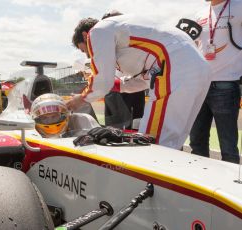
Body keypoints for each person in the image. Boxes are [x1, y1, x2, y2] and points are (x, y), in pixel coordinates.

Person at [67, 16, 211, 150]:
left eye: (85, 50)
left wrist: (80, 99)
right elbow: (143, 78)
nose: (88, 55)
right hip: (199, 68)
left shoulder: (97, 32)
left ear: (86, 35)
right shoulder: (129, 32)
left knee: (152, 141)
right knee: (173, 141)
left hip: (175, 65)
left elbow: (102, 80)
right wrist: (115, 84)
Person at [189, 0, 242, 164]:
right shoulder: (200, 13)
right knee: (196, 142)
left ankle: (229, 186)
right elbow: (196, 44)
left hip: (227, 83)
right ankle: (199, 185)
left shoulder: (239, 6)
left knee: (228, 147)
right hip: (200, 84)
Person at [101, 10, 147, 129]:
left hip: (136, 86)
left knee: (137, 125)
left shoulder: (135, 38)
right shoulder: (103, 41)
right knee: (114, 128)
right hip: (115, 89)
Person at [31, 93, 99, 138]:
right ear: (36, 119)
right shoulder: (29, 132)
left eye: (54, 116)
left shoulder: (83, 120)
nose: (50, 120)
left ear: (64, 115)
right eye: (44, 118)